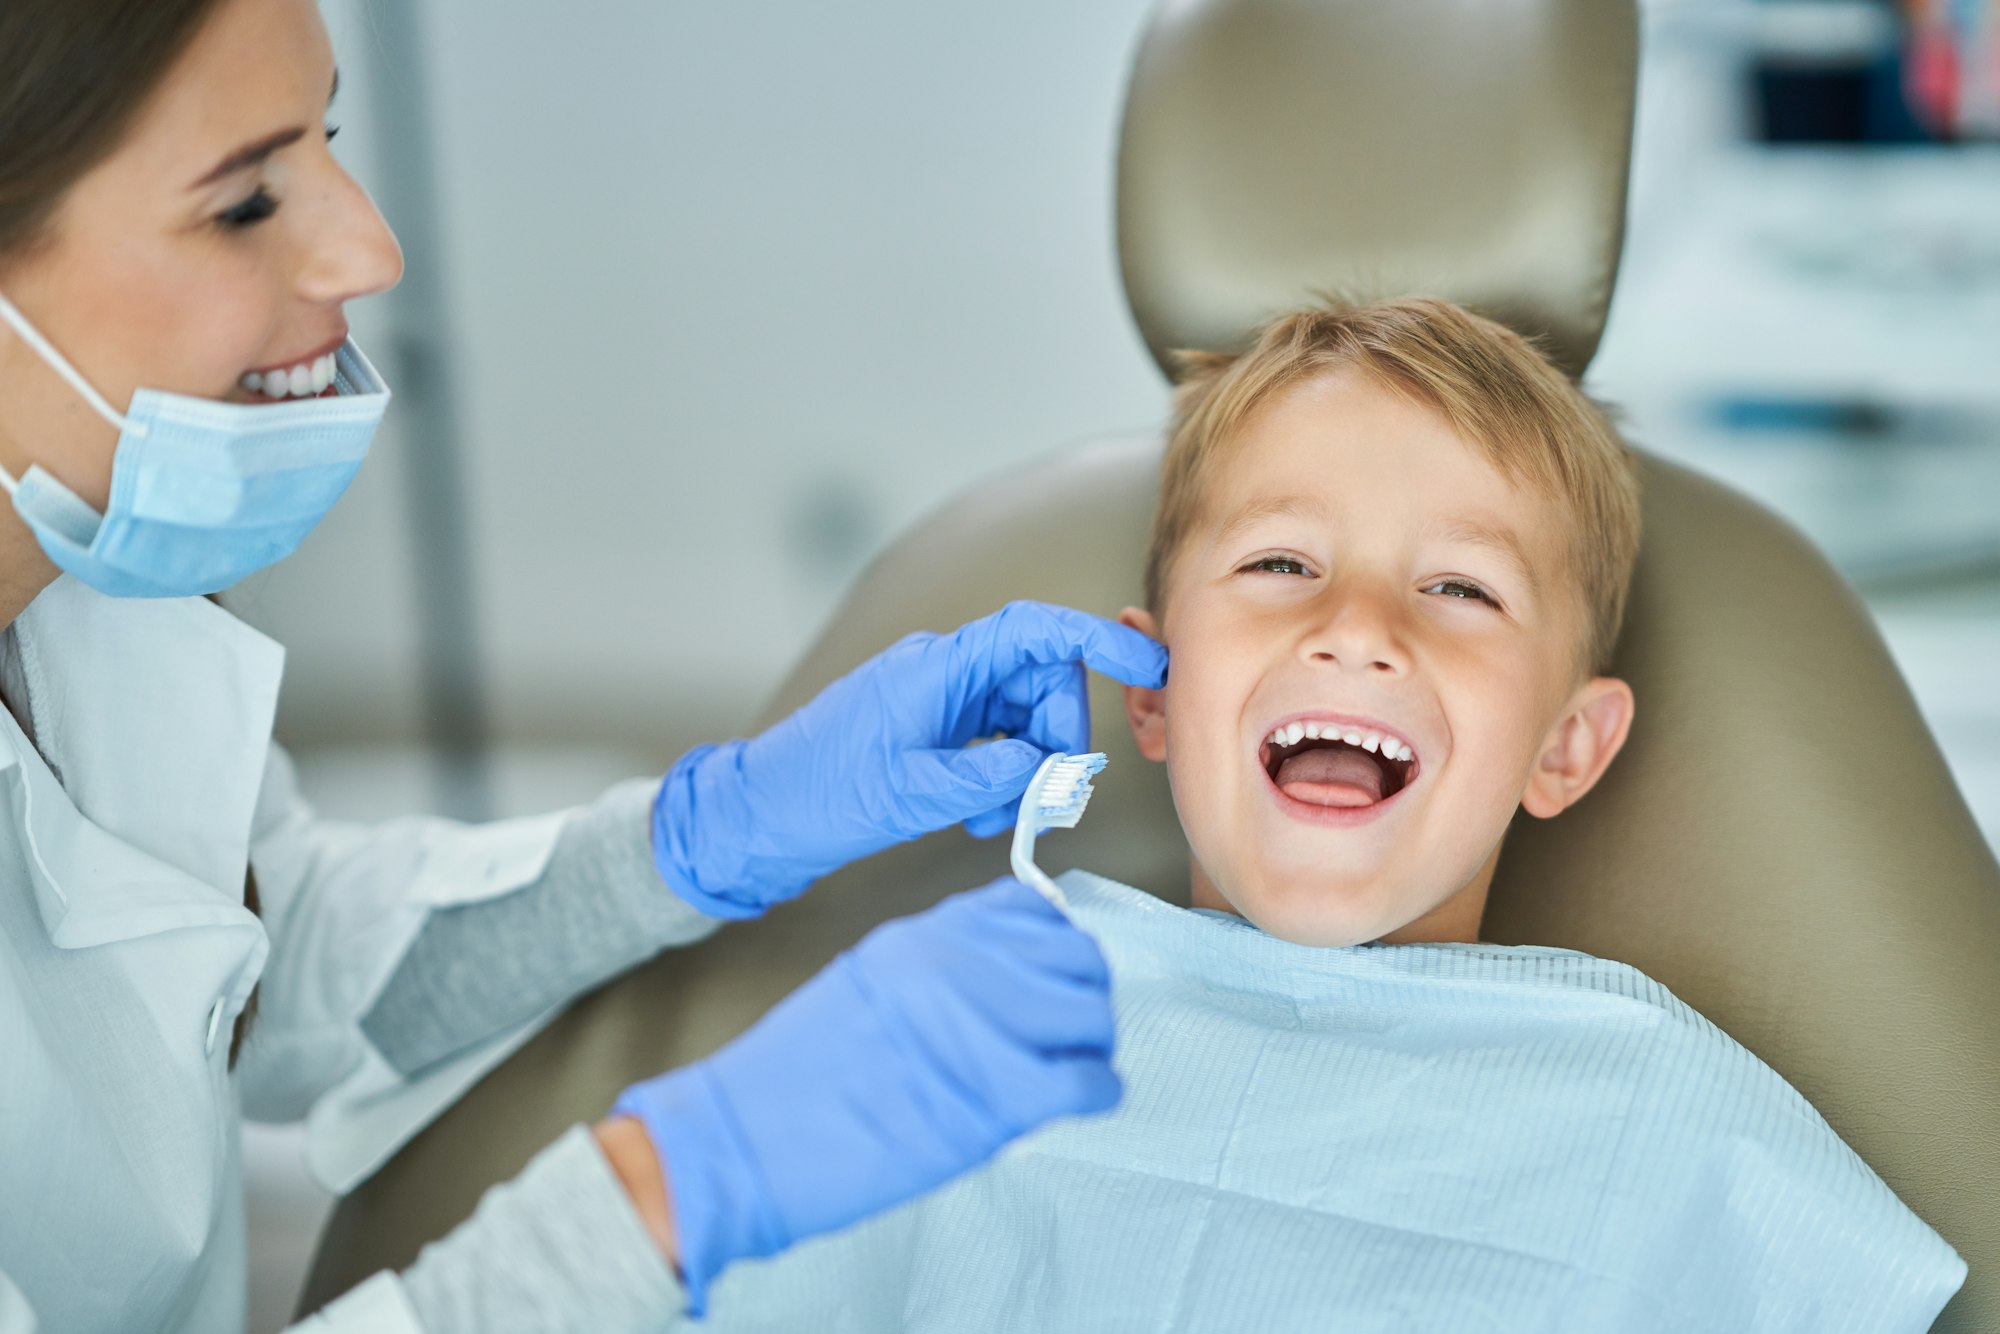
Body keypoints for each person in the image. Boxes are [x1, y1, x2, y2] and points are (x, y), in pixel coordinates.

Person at [0, 1, 1168, 1331]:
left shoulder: (82, 590)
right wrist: (664, 1194)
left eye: (325, 138)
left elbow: (248, 959)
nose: (371, 246)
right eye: (245, 201)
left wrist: (694, 835)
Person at [642, 299, 1970, 1331]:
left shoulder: (1674, 1120)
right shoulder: (957, 1030)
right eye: (1281, 564)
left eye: (1459, 588)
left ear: (1565, 746)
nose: (1355, 628)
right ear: (1153, 691)